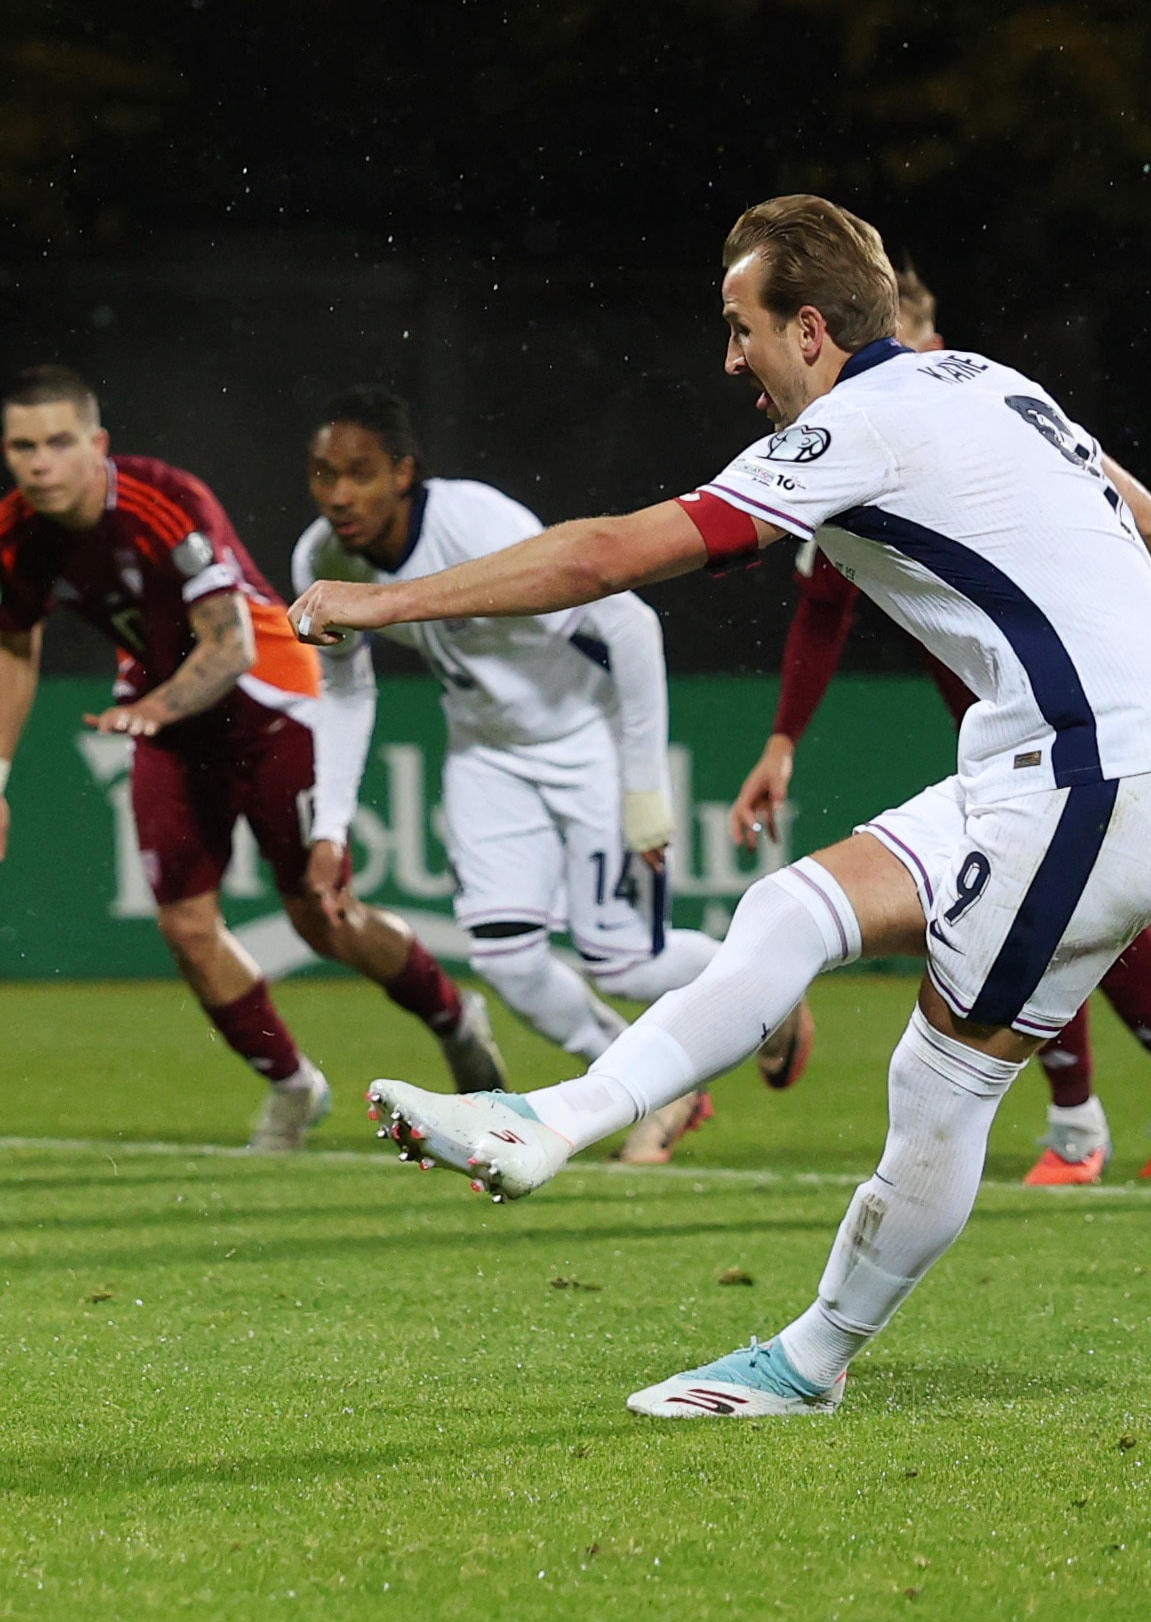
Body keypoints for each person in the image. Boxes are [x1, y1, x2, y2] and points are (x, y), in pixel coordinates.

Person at [297, 195, 1151, 1418]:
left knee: (940, 1084)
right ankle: (550, 1119)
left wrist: (379, 603)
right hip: (1062, 765)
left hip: (1091, 777)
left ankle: (807, 1361)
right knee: (792, 907)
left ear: (810, 330)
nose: (730, 358)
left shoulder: (858, 426)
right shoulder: (985, 379)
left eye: (741, 328)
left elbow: (608, 556)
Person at [731, 260, 1151, 1185]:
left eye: (926, 351)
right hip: (1012, 727)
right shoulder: (855, 441)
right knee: (1060, 914)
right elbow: (822, 609)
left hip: (1080, 722)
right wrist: (780, 740)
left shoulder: (983, 410)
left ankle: (1082, 1120)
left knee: (1028, 909)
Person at [0, 365, 506, 1151]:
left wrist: (150, 706)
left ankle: (454, 1017)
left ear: (97, 444)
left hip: (274, 705)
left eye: (59, 441)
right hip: (172, 725)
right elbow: (15, 644)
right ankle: (294, 1086)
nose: (41, 461)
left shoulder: (163, 501)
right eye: (23, 446)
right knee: (185, 927)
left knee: (322, 914)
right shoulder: (11, 532)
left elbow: (231, 646)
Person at [294, 384, 809, 1167]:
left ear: (403, 471)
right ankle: (653, 1082)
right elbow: (344, 690)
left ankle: (773, 984)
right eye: (322, 474)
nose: (338, 495)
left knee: (623, 959)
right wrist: (329, 828)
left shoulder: (475, 521)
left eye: (358, 472)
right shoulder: (321, 557)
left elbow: (629, 624)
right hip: (484, 753)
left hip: (585, 741)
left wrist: (643, 789)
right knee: (505, 958)